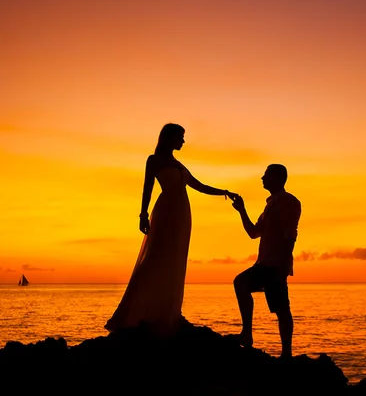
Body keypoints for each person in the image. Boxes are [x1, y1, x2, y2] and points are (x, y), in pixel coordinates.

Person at [105, 123, 238, 337]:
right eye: (181, 137)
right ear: (170, 138)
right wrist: (143, 214)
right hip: (165, 212)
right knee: (155, 260)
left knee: (175, 260)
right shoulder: (154, 160)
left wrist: (224, 192)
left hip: (182, 216)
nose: (183, 141)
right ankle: (135, 312)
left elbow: (199, 186)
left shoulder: (179, 164)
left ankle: (169, 312)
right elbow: (147, 187)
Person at [228, 164, 301, 358]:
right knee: (242, 284)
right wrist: (241, 210)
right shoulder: (270, 205)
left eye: (266, 175)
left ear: (277, 178)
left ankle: (286, 352)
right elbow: (253, 232)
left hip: (275, 265)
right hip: (264, 263)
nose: (262, 178)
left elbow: (290, 235)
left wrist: (283, 265)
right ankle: (247, 335)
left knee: (282, 308)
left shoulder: (288, 202)